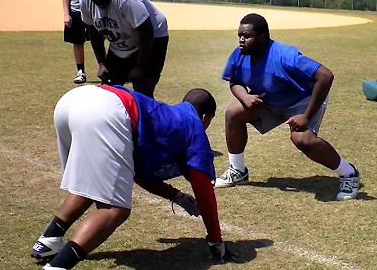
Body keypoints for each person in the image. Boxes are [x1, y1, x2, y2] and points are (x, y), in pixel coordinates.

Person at [30, 84, 237, 269]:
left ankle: (49, 240)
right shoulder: (194, 126)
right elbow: (204, 191)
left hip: (75, 99)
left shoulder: (165, 116)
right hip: (107, 111)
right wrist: (215, 239)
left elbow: (135, 173)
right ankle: (57, 267)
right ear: (205, 118)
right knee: (116, 209)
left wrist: (177, 196)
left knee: (93, 183)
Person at [214, 13, 360, 201]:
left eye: (247, 36)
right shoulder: (240, 54)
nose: (241, 40)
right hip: (270, 100)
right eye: (239, 35)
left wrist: (306, 116)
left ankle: (349, 174)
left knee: (302, 140)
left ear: (262, 37)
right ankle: (238, 171)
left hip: (303, 100)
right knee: (234, 112)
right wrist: (245, 96)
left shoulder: (285, 55)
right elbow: (234, 81)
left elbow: (325, 76)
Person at [80, 0, 169, 99]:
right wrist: (102, 63)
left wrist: (140, 67)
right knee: (108, 90)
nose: (100, 3)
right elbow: (93, 32)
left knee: (142, 90)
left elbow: (146, 32)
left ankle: (146, 117)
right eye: (95, 0)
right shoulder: (85, 0)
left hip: (152, 37)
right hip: (123, 41)